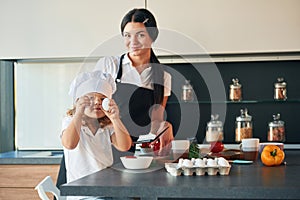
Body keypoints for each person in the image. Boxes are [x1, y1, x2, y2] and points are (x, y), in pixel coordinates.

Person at [94, 8, 174, 154]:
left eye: (140, 35)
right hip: (107, 146)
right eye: (127, 35)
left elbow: (155, 122)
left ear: (152, 36)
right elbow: (93, 110)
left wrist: (165, 125)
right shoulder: (110, 65)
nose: (133, 42)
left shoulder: (163, 76)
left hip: (138, 151)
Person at [61, 70, 132, 200]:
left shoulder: (107, 126)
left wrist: (115, 118)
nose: (97, 102)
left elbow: (124, 146)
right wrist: (78, 113)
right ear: (79, 101)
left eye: (103, 99)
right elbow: (69, 144)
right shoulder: (71, 121)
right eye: (91, 98)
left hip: (106, 188)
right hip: (82, 193)